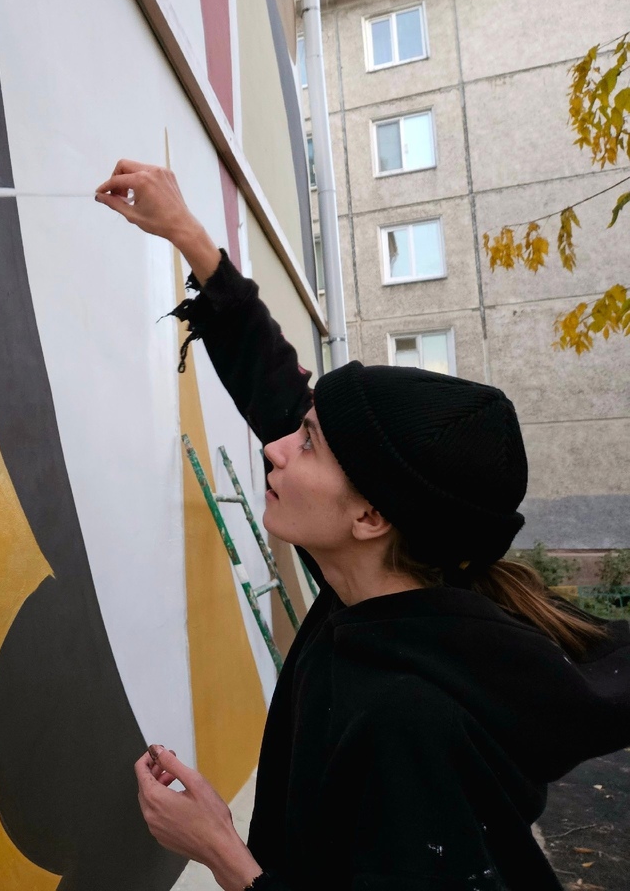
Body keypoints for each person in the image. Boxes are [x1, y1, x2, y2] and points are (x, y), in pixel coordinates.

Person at [94, 159, 630, 891]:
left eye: (309, 442)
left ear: (372, 516)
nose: (277, 447)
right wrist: (189, 237)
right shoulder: (382, 593)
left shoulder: (407, 720)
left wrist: (219, 849)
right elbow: (278, 394)